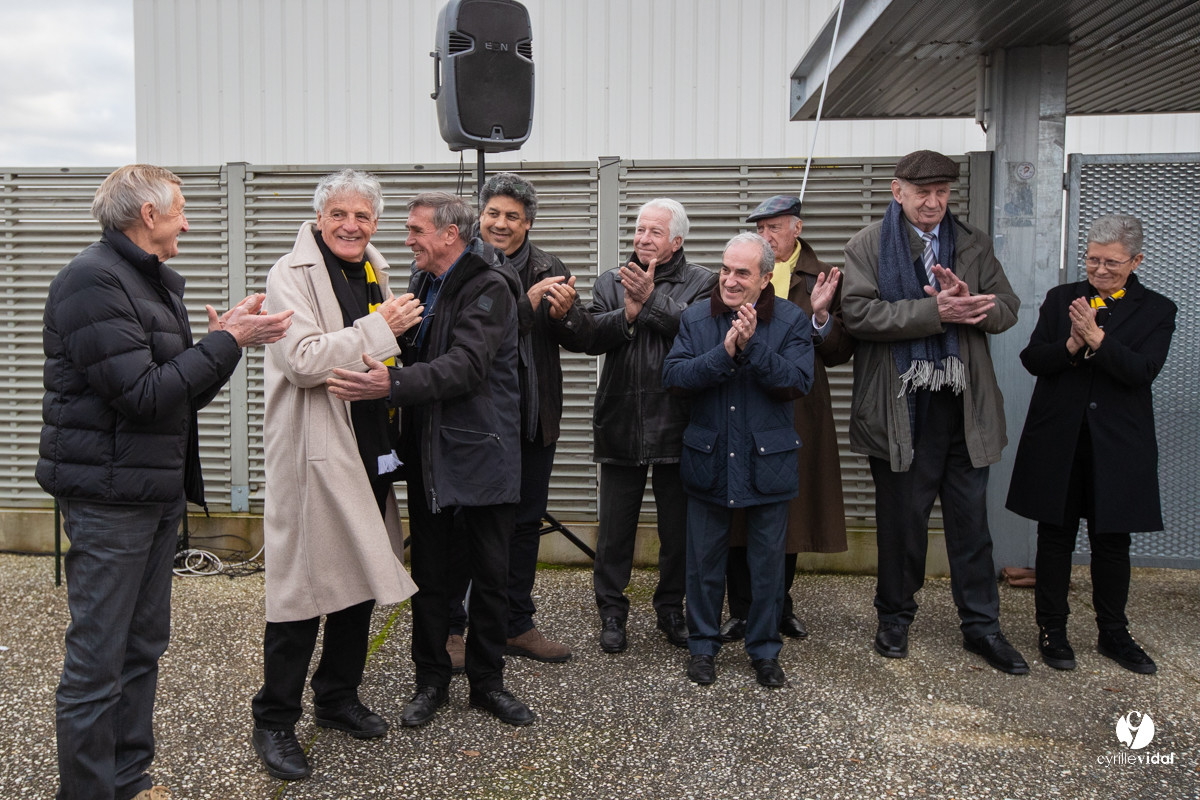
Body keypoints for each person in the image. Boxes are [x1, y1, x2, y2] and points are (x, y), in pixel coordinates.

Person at [38, 164, 293, 800]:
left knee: (142, 646)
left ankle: (128, 780)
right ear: (148, 215)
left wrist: (226, 343)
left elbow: (177, 395)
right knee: (98, 660)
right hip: (108, 500)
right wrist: (225, 340)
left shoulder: (148, 282)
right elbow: (144, 395)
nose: (188, 221)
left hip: (151, 494)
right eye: (180, 209)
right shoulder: (91, 283)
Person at [328, 191, 533, 727]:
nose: (407, 239)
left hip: (483, 455)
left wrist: (388, 384)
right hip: (431, 455)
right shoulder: (423, 284)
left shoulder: (489, 288)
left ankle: (488, 684)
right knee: (432, 577)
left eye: (416, 230)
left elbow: (465, 367)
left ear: (450, 234)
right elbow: (416, 351)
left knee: (490, 578)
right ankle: (431, 682)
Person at [250, 169, 422, 780]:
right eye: (340, 215)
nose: (352, 226)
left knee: (359, 579)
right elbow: (299, 360)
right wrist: (384, 330)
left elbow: (372, 352)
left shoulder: (371, 265)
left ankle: (336, 697)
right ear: (320, 218)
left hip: (368, 444)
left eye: (364, 216)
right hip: (314, 453)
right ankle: (274, 721)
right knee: (300, 593)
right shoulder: (288, 274)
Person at [842, 150, 1028, 675]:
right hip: (901, 406)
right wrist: (934, 312)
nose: (933, 201)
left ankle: (982, 627)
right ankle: (895, 618)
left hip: (964, 406)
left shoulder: (972, 244)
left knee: (972, 524)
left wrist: (977, 303)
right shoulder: (869, 245)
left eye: (942, 191)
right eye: (922, 192)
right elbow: (856, 313)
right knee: (902, 523)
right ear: (897, 192)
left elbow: (1010, 308)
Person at [1006, 214, 1175, 675]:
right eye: (1093, 260)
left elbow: (1142, 372)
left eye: (1112, 264)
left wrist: (1099, 339)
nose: (1100, 271)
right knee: (1055, 537)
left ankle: (1113, 634)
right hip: (1060, 439)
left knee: (1111, 540)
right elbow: (1033, 359)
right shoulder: (1064, 298)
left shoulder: (1158, 309)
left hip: (1118, 444)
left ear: (1136, 261)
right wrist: (1071, 344)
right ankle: (1052, 631)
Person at [445, 172, 594, 668]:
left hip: (533, 416)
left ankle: (516, 623)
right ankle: (452, 628)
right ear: (479, 215)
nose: (500, 224)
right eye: (493, 213)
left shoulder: (551, 266)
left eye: (512, 216)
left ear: (528, 222)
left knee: (525, 524)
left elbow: (580, 338)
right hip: (477, 422)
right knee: (466, 527)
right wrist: (524, 308)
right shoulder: (458, 263)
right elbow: (453, 338)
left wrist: (568, 314)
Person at [663, 233, 814, 687]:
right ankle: (703, 647)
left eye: (742, 273)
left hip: (767, 461)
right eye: (725, 269)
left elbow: (797, 382)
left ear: (766, 278)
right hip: (708, 458)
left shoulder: (790, 320)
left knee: (767, 567)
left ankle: (765, 651)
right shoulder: (695, 317)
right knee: (703, 564)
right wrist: (726, 351)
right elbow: (675, 377)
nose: (729, 280)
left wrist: (753, 348)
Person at [720, 196, 855, 644]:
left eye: (774, 227)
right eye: (760, 227)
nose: (765, 236)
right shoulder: (739, 271)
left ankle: (778, 605)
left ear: (796, 228)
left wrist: (820, 317)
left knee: (790, 514)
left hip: (798, 408)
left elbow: (839, 352)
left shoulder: (823, 276)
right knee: (740, 510)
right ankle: (741, 610)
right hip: (743, 402)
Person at [586, 198, 717, 653]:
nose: (643, 238)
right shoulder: (611, 280)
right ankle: (612, 613)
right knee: (615, 530)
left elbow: (699, 332)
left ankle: (670, 609)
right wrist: (626, 312)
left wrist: (648, 300)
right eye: (640, 230)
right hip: (621, 420)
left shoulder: (704, 282)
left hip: (679, 425)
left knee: (677, 531)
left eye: (654, 232)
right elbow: (592, 333)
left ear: (677, 241)